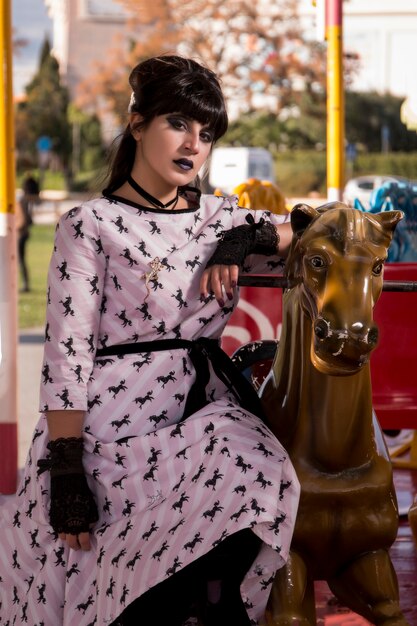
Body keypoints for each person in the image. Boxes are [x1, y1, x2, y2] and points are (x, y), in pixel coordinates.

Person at [0, 55, 300, 626]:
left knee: (259, 467)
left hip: (199, 412)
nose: (193, 144)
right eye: (178, 124)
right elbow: (67, 354)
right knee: (104, 581)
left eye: (206, 133)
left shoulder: (221, 219)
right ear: (137, 124)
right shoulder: (88, 225)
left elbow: (328, 224)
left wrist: (245, 237)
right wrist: (65, 469)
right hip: (107, 429)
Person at [17, 173, 40, 292]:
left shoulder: (23, 200)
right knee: (20, 259)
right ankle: (25, 284)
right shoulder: (29, 200)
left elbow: (23, 220)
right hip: (24, 233)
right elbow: (29, 220)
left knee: (19, 259)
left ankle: (25, 284)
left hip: (21, 234)